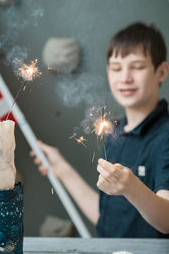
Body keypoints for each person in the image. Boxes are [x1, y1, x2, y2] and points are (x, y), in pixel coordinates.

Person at [31, 22, 169, 238]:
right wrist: (61, 170)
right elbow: (107, 218)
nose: (125, 78)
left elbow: (167, 220)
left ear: (161, 72)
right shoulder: (115, 134)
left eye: (138, 67)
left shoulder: (165, 135)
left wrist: (133, 188)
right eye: (116, 68)